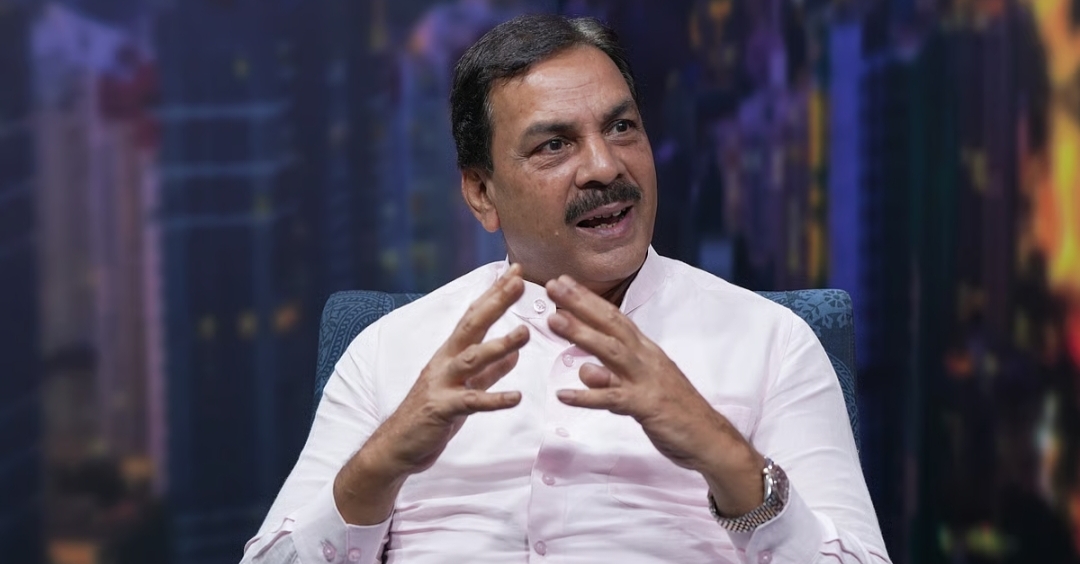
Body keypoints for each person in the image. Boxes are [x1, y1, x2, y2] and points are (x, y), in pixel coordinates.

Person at [242, 14, 890, 564]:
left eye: (622, 127)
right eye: (555, 145)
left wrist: (723, 455)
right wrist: (382, 462)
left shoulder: (771, 344)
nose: (604, 167)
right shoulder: (390, 352)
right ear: (482, 192)